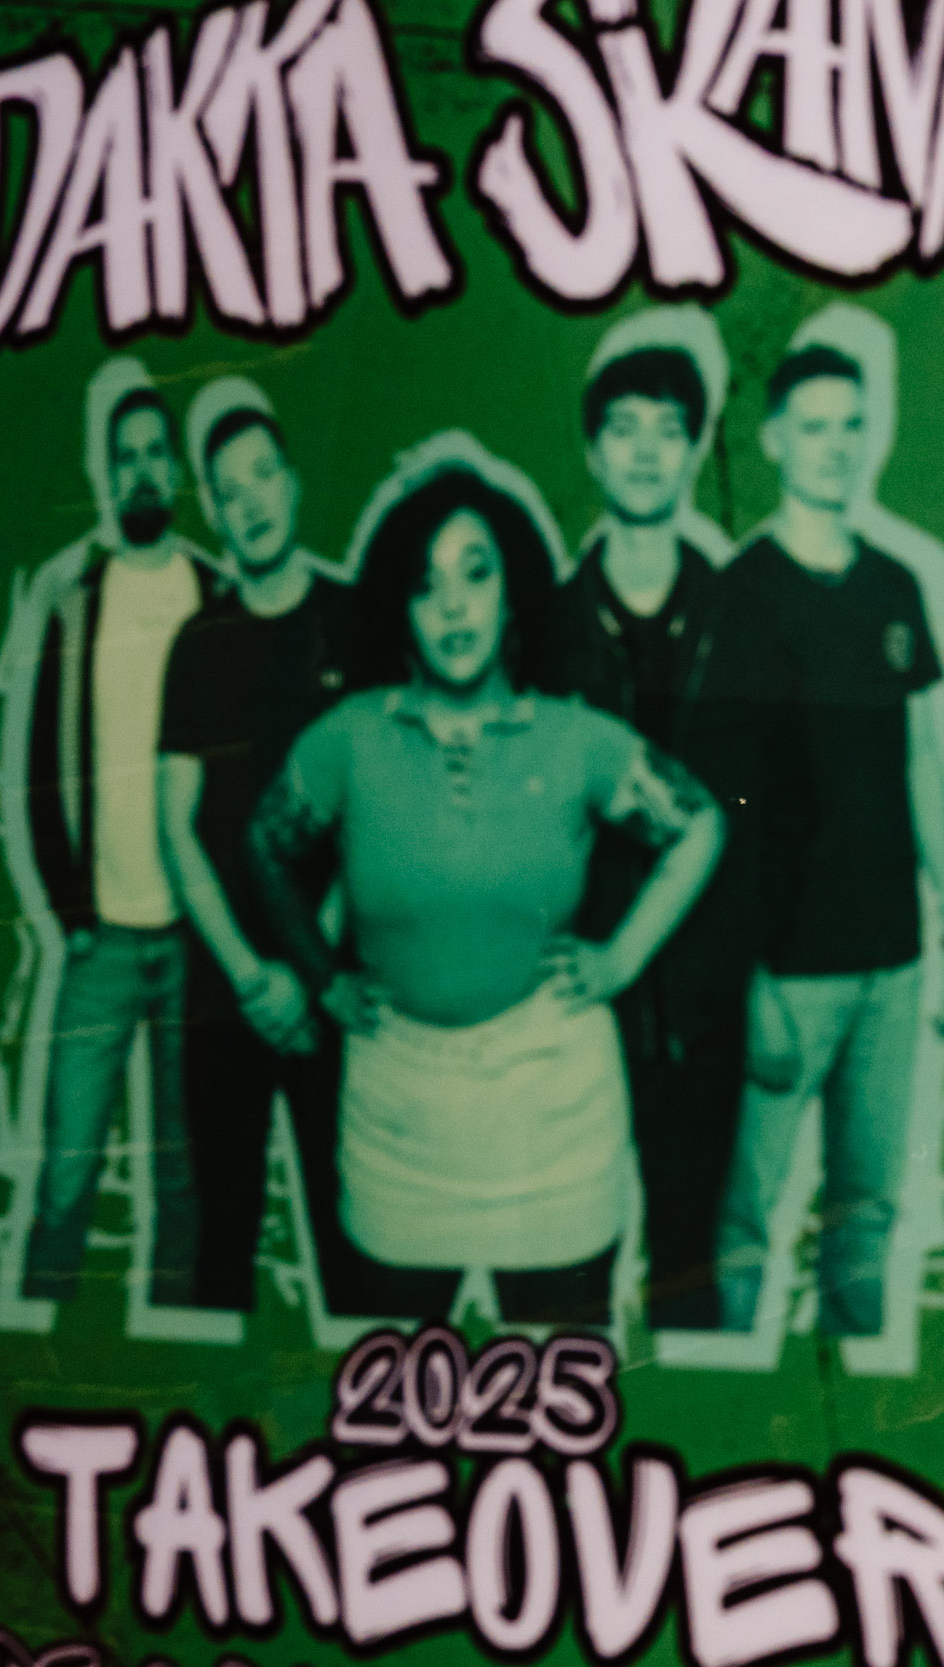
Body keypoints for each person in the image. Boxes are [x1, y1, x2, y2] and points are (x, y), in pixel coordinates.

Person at [248, 436, 724, 1326]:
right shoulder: (349, 737)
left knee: (556, 1404)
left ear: (513, 601)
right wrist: (323, 978)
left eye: (476, 573)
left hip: (554, 1116)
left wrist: (620, 960)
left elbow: (701, 823)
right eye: (427, 585)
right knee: (392, 1408)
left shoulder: (572, 737)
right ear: (400, 610)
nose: (453, 605)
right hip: (398, 1121)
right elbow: (265, 847)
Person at [694, 346, 944, 1337]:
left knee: (865, 1219)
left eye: (850, 424)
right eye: (812, 426)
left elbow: (923, 765)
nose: (834, 446)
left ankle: (848, 1422)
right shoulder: (741, 593)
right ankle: (717, 1416)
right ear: (772, 440)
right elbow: (716, 807)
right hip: (785, 969)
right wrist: (747, 974)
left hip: (892, 965)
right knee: (739, 1224)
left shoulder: (895, 585)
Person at [545, 309, 748, 1330]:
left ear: (698, 448)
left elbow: (759, 800)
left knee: (688, 1263)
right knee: (568, 1263)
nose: (644, 449)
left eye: (668, 428)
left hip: (704, 994)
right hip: (573, 986)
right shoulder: (545, 620)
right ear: (591, 448)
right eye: (623, 426)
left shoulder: (734, 608)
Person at [155, 378, 369, 1314]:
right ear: (213, 509)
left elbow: (379, 809)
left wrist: (305, 965)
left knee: (355, 1253)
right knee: (221, 1262)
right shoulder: (196, 642)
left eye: (261, 478)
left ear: (291, 482)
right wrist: (250, 973)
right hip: (224, 996)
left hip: (334, 991)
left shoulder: (355, 621)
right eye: (228, 492)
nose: (249, 504)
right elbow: (176, 825)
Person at [20, 359, 220, 1306]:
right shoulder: (72, 597)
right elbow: (32, 771)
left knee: (184, 1186)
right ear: (106, 476)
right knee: (65, 1172)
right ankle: (29, 1356)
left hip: (193, 943)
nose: (141, 472)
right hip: (101, 940)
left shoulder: (217, 597)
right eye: (125, 457)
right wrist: (71, 914)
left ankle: (173, 1383)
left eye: (155, 455)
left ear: (176, 472)